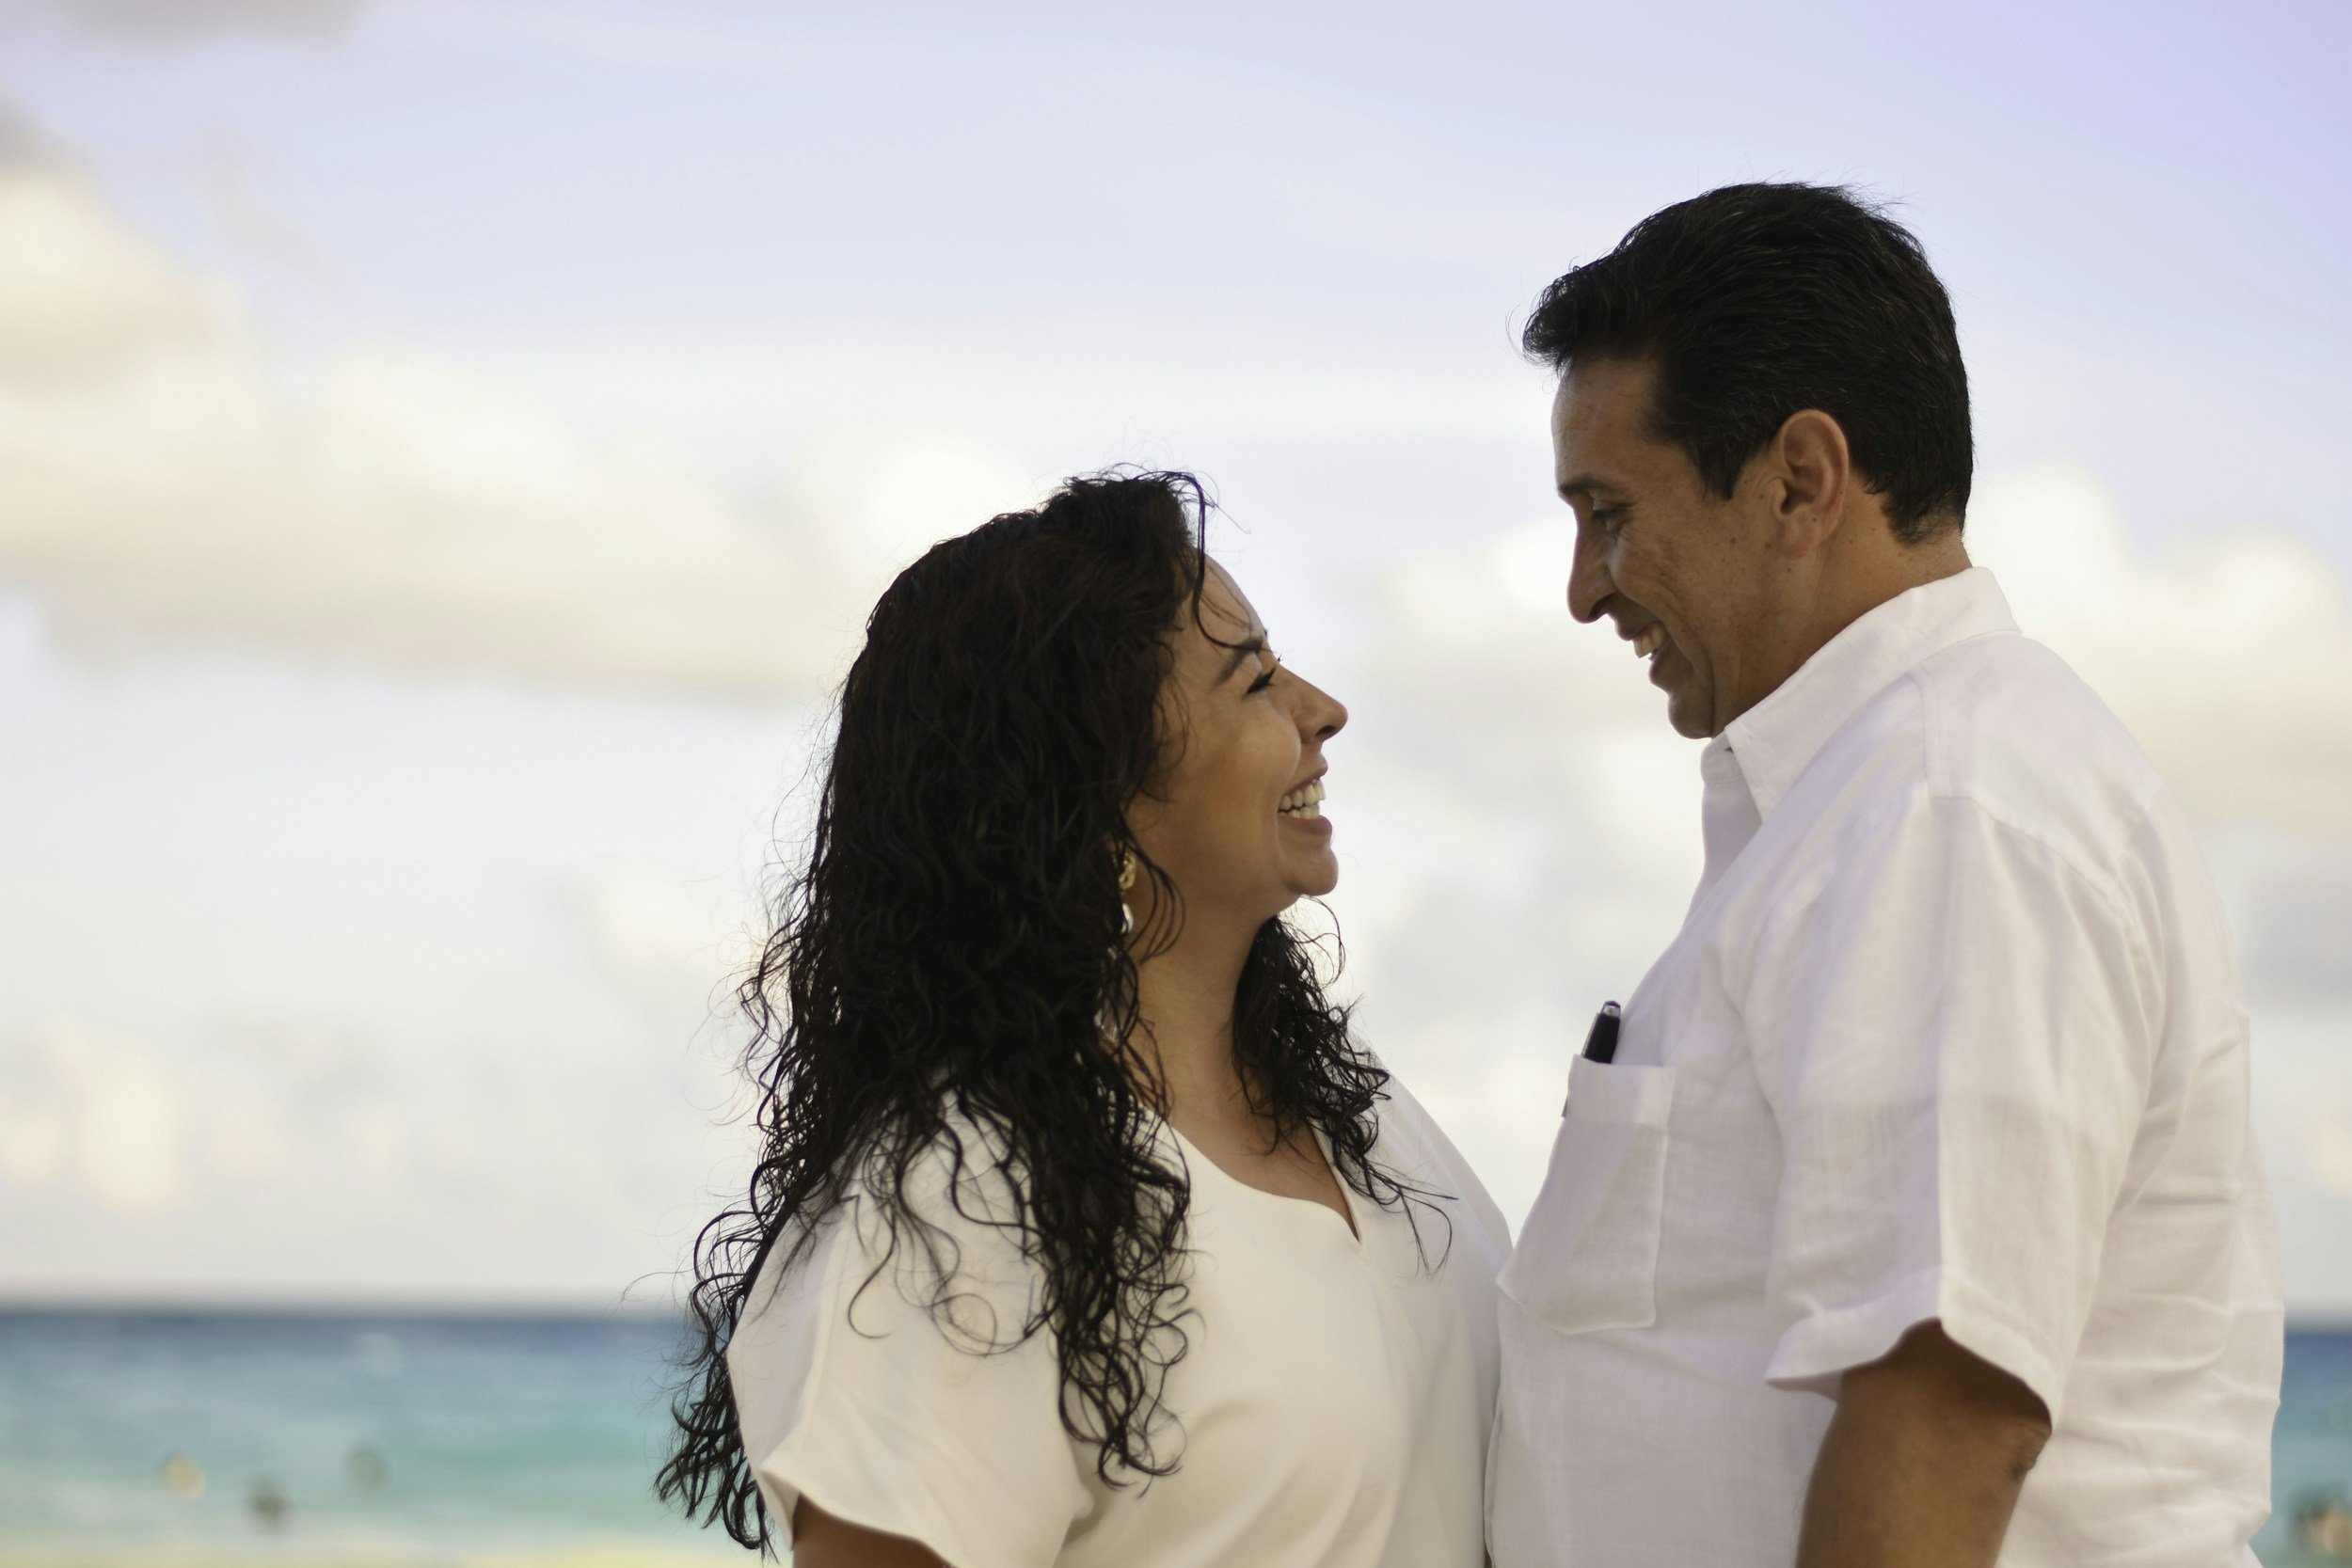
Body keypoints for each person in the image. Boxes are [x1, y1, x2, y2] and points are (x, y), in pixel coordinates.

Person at [1486, 183, 2283, 1568]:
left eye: (1608, 512)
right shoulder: (1865, 802)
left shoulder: (1947, 799)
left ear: (1800, 477)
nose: (1583, 586)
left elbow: (1947, 1403)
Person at [659, 471, 1507, 1568]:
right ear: (1099, 790)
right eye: (1251, 681)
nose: (1319, 707)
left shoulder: (1370, 1123)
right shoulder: (962, 1199)